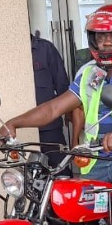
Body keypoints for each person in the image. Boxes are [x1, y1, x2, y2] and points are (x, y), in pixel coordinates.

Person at [0, 4, 112, 185]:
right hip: (98, 161)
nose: (107, 42)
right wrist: (13, 123)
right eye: (101, 36)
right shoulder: (89, 73)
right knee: (70, 204)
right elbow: (54, 108)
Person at [31, 33, 78, 168]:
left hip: (50, 128)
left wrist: (70, 114)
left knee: (60, 170)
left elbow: (63, 85)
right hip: (24, 128)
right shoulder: (11, 52)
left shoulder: (46, 49)